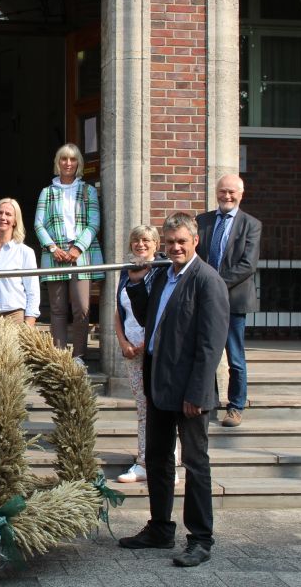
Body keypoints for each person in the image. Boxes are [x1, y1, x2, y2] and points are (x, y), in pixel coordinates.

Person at [118, 212, 229, 568]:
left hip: (189, 391)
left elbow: (211, 345)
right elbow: (147, 317)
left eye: (181, 241)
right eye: (169, 243)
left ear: (194, 241)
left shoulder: (207, 280)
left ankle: (200, 539)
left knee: (195, 464)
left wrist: (197, 393)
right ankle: (161, 529)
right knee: (157, 458)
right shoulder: (162, 275)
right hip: (158, 384)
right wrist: (136, 284)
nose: (175, 248)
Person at [113, 225, 177, 486]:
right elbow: (119, 311)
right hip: (132, 350)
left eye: (146, 240)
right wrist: (123, 341)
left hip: (156, 349)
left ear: (156, 243)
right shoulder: (126, 271)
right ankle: (143, 462)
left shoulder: (163, 269)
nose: (141, 244)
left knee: (163, 407)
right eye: (136, 240)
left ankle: (167, 462)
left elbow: (161, 309)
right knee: (143, 409)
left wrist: (145, 340)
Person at [195, 174, 261, 427]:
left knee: (235, 357)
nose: (227, 196)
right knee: (204, 352)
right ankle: (207, 401)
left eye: (232, 192)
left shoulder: (251, 224)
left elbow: (247, 265)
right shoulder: (202, 221)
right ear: (216, 192)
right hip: (204, 300)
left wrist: (215, 285)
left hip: (233, 301)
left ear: (241, 194)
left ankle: (235, 407)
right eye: (223, 191)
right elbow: (195, 256)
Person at [33, 143, 103, 366]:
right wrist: (53, 248)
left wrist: (77, 248)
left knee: (81, 308)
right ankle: (60, 357)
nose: (68, 163)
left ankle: (79, 355)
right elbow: (38, 224)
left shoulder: (88, 191)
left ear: (78, 164)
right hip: (55, 254)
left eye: (73, 159)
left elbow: (94, 222)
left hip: (81, 254)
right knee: (57, 308)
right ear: (58, 162)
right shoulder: (47, 192)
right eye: (64, 159)